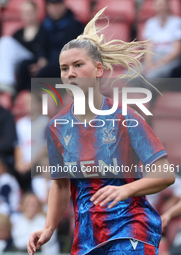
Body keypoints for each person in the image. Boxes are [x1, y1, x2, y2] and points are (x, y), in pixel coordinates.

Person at [27, 7, 175, 255]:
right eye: (64, 68)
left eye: (77, 65)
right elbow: (61, 184)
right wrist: (49, 227)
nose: (70, 73)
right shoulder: (57, 126)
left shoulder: (125, 118)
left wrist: (125, 189)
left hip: (131, 231)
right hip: (88, 238)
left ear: (98, 69)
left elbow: (165, 175)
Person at [0, 1, 44, 94]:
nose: (27, 15)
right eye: (25, 13)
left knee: (5, 41)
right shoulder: (18, 33)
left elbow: (45, 52)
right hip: (15, 63)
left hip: (30, 60)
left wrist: (41, 64)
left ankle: (5, 83)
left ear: (36, 12)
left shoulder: (43, 31)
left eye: (30, 12)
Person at [17, 0, 84, 91]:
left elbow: (72, 51)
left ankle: (30, 93)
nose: (54, 9)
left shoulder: (75, 25)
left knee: (44, 72)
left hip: (62, 63)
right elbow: (41, 44)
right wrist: (42, 58)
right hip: (47, 60)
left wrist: (44, 65)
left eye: (57, 5)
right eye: (51, 5)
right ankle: (20, 94)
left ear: (64, 5)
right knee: (24, 65)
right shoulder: (45, 24)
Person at [14, 91, 49, 191]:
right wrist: (19, 163)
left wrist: (31, 163)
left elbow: (45, 147)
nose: (27, 105)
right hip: (25, 164)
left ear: (39, 104)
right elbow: (18, 145)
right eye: (25, 102)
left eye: (31, 102)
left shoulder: (45, 122)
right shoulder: (20, 124)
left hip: (39, 163)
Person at [142, 0, 181, 79]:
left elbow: (176, 52)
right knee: (131, 73)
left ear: (168, 5)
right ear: (154, 7)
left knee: (152, 76)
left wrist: (158, 65)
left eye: (163, 4)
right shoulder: (150, 23)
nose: (161, 7)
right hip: (153, 58)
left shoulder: (177, 22)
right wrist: (149, 64)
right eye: (159, 5)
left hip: (169, 60)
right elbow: (148, 47)